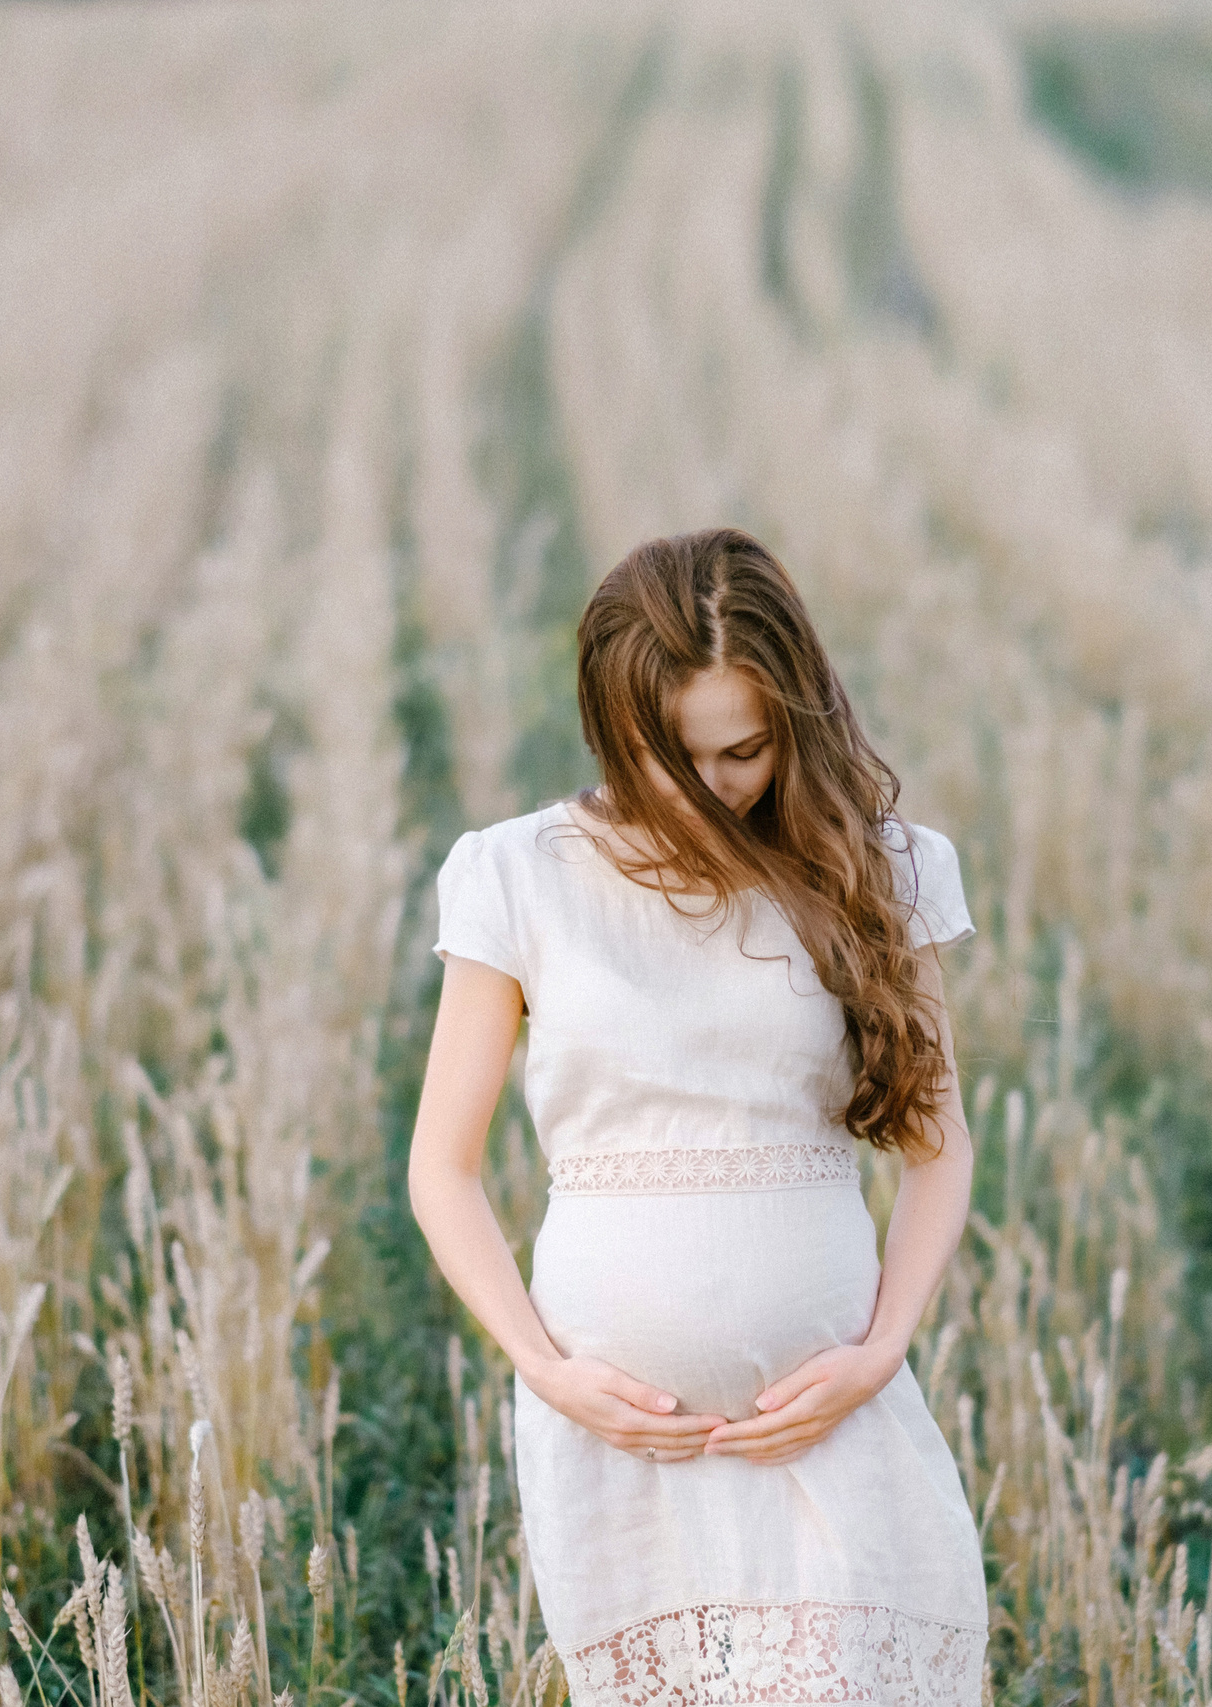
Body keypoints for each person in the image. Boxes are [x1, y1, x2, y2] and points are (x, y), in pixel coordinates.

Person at [406, 526, 990, 1706]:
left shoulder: (881, 869)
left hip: (830, 1423)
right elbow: (441, 1170)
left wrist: (880, 1355)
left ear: (798, 725)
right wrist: (543, 1370)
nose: (704, 791)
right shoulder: (518, 875)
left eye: (743, 752)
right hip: (618, 1445)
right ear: (608, 727)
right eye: (665, 757)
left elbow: (938, 1152)